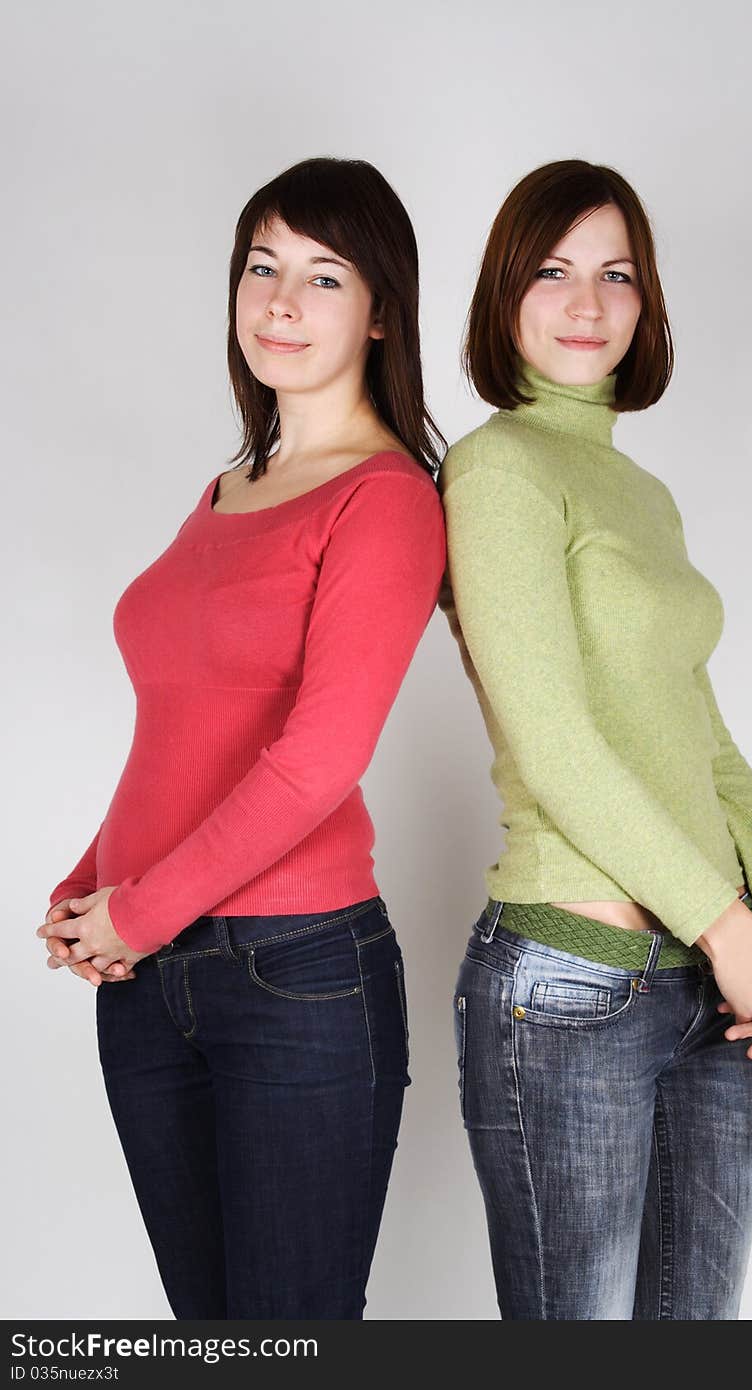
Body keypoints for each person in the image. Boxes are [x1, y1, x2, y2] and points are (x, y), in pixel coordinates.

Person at [438, 158, 752, 1320]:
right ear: (502, 297)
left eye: (615, 272)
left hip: (704, 983)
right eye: (553, 271)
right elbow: (552, 736)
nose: (587, 302)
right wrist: (733, 931)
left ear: (647, 300)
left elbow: (702, 740)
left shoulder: (642, 494)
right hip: (573, 979)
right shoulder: (496, 470)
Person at [37, 156, 446, 1319]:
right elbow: (182, 722)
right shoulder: (230, 487)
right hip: (150, 977)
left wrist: (143, 906)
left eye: (324, 277)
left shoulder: (385, 500)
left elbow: (318, 759)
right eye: (261, 266)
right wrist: (93, 885)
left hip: (298, 977)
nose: (280, 301)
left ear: (379, 314)